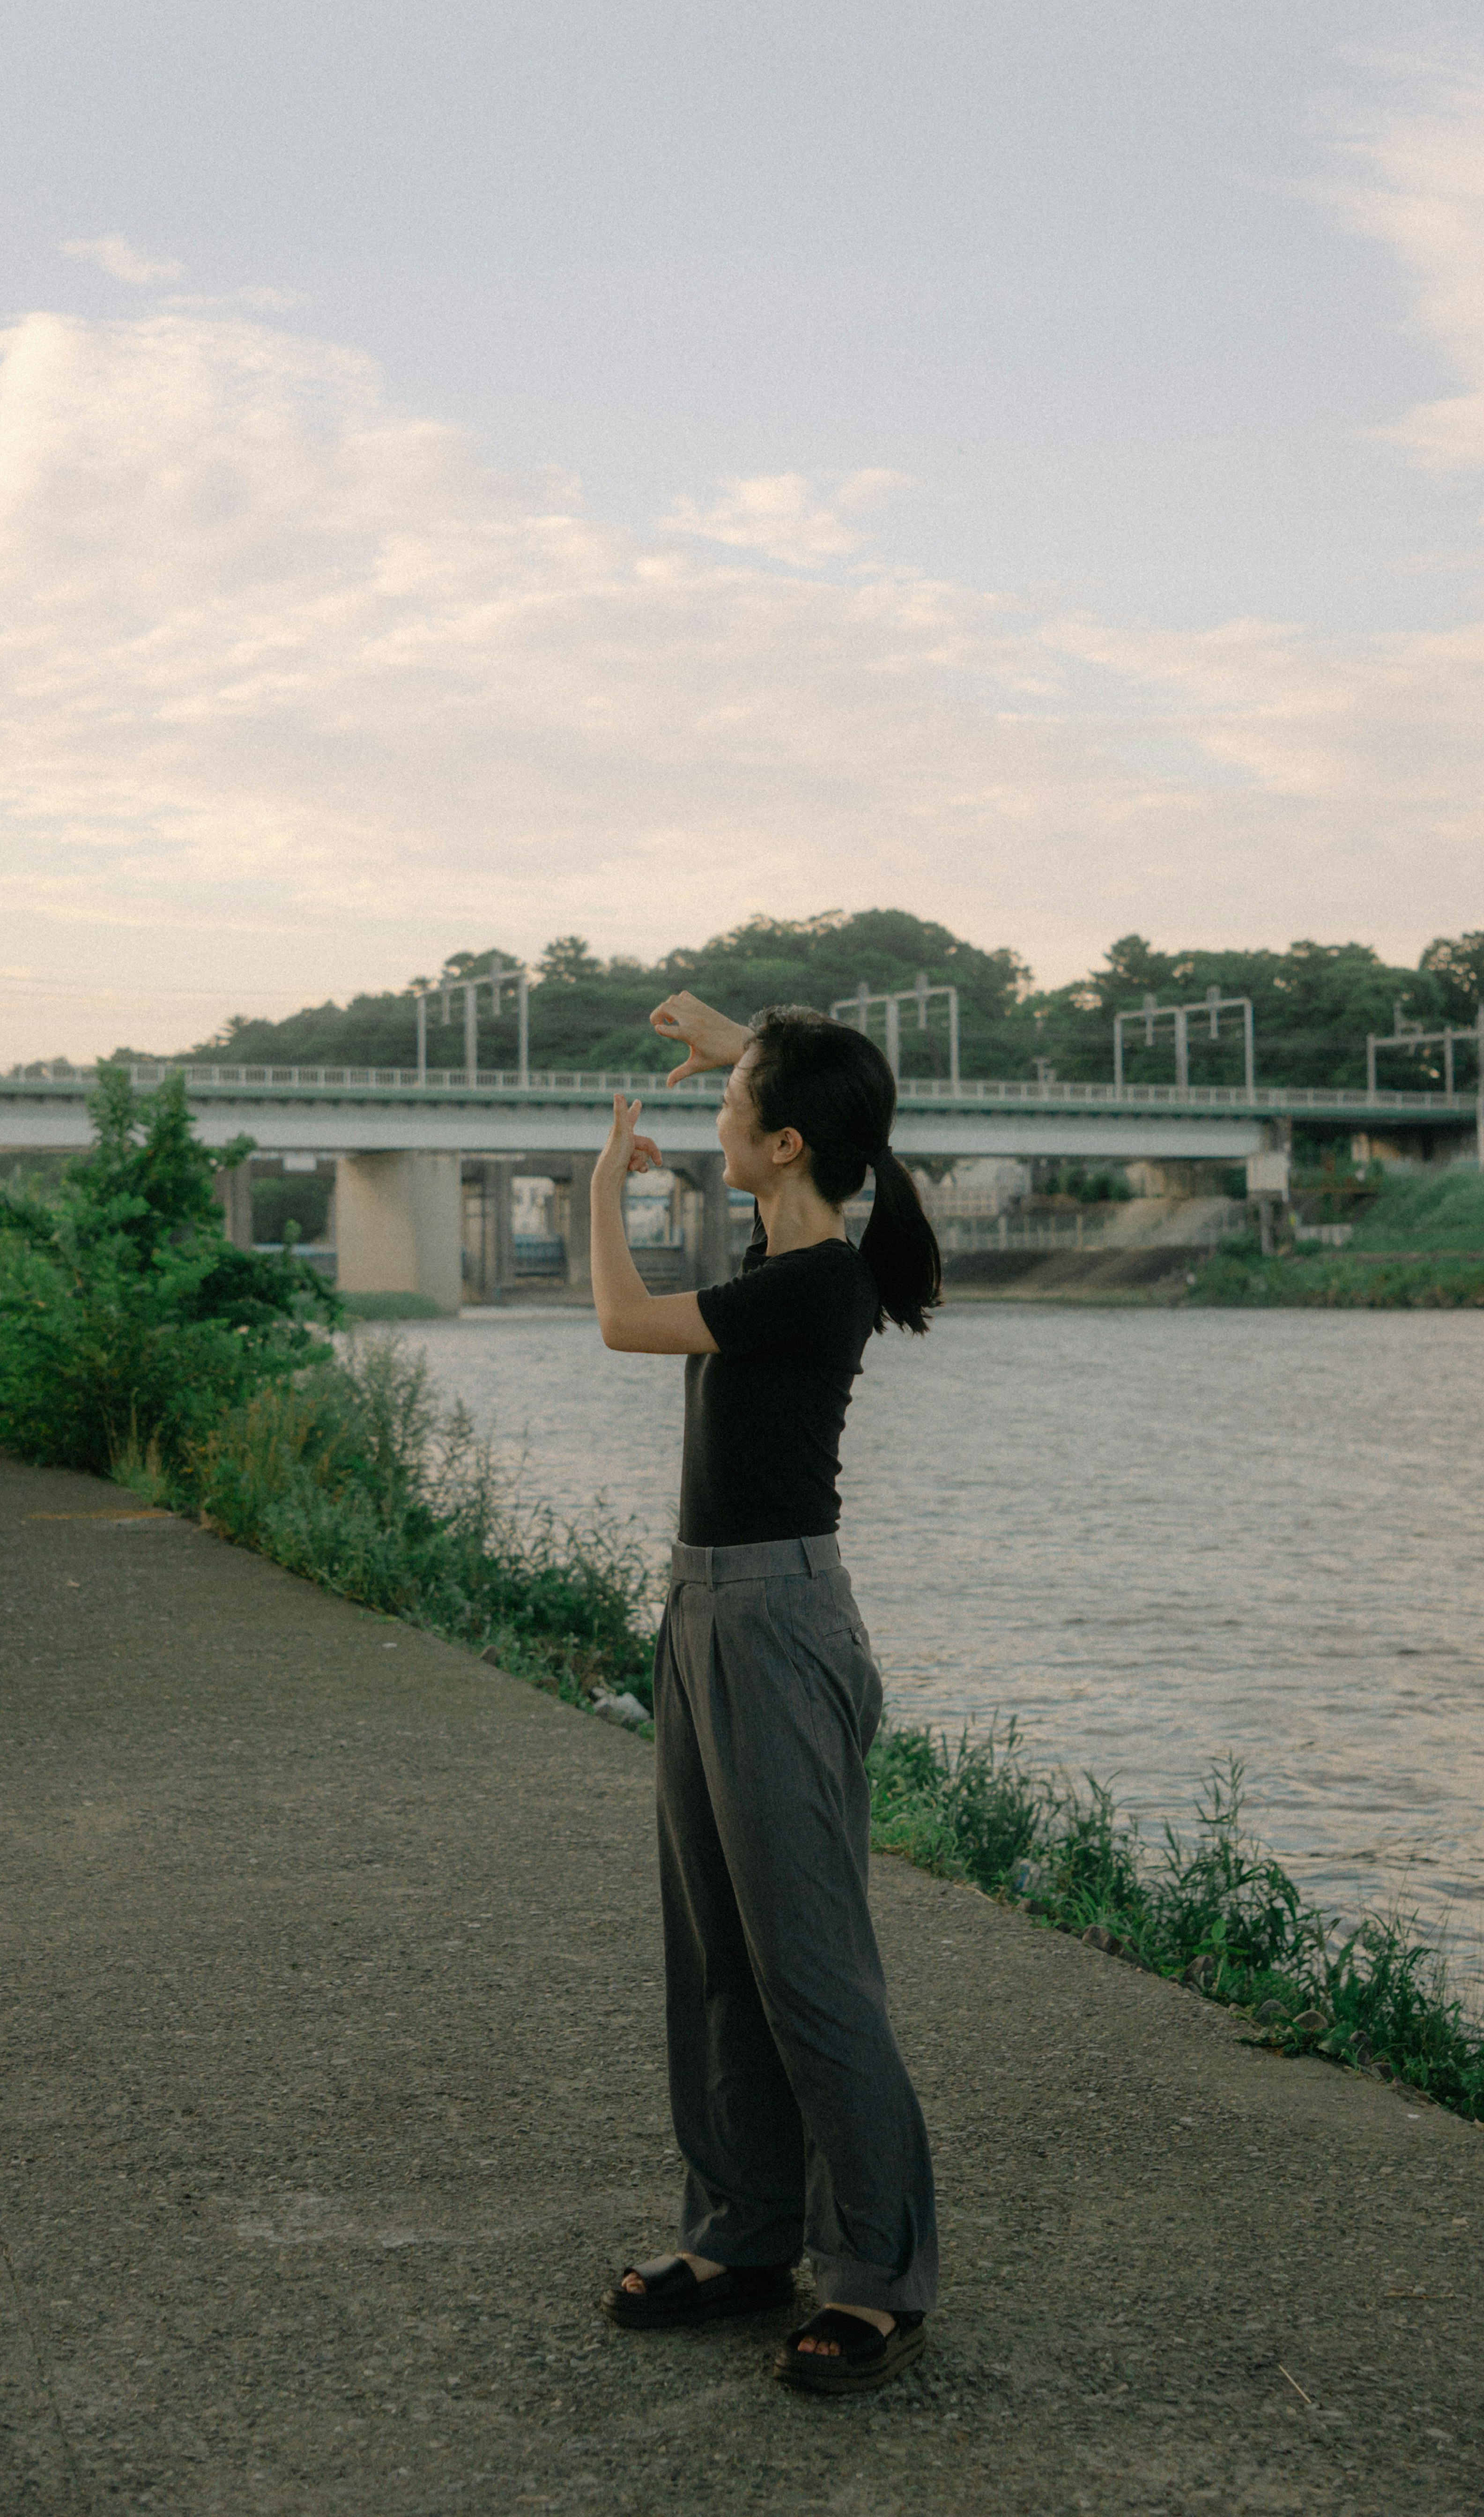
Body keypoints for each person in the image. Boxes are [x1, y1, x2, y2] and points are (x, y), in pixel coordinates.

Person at [589, 991, 942, 2398]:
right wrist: (751, 1042)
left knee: (810, 1965)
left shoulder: (813, 1284)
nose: (714, 1118)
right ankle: (744, 2237)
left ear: (786, 1147)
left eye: (738, 1105)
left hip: (781, 1626)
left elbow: (623, 1323)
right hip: (703, 1609)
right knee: (718, 1950)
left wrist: (598, 1189)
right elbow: (814, 1115)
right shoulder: (780, 1233)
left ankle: (881, 2274)